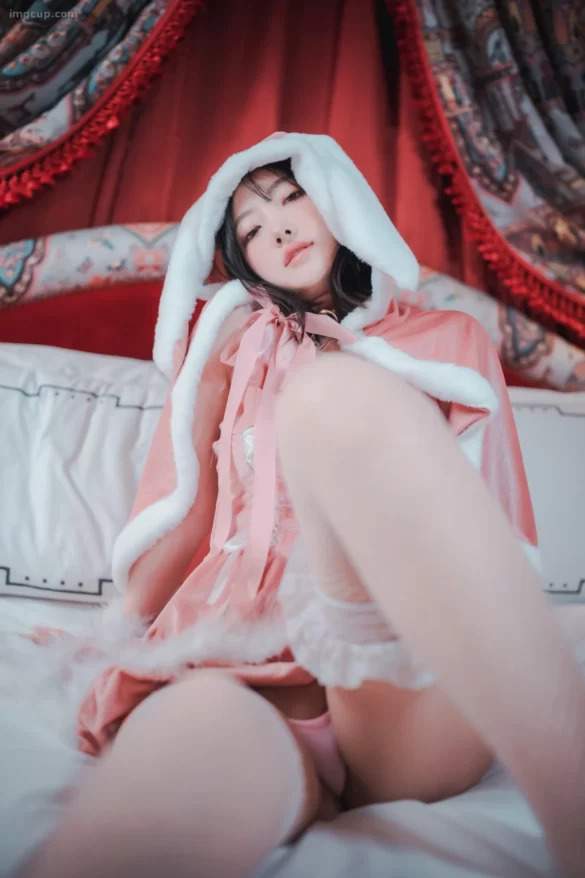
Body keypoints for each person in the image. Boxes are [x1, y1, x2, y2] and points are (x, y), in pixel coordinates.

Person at [11, 132, 585, 878]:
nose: (277, 230)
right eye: (251, 230)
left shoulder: (449, 338)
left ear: (339, 200)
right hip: (237, 672)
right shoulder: (231, 352)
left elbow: (494, 524)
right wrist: (113, 631)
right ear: (241, 262)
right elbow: (180, 513)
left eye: (291, 200)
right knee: (195, 728)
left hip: (403, 687)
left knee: (331, 399)